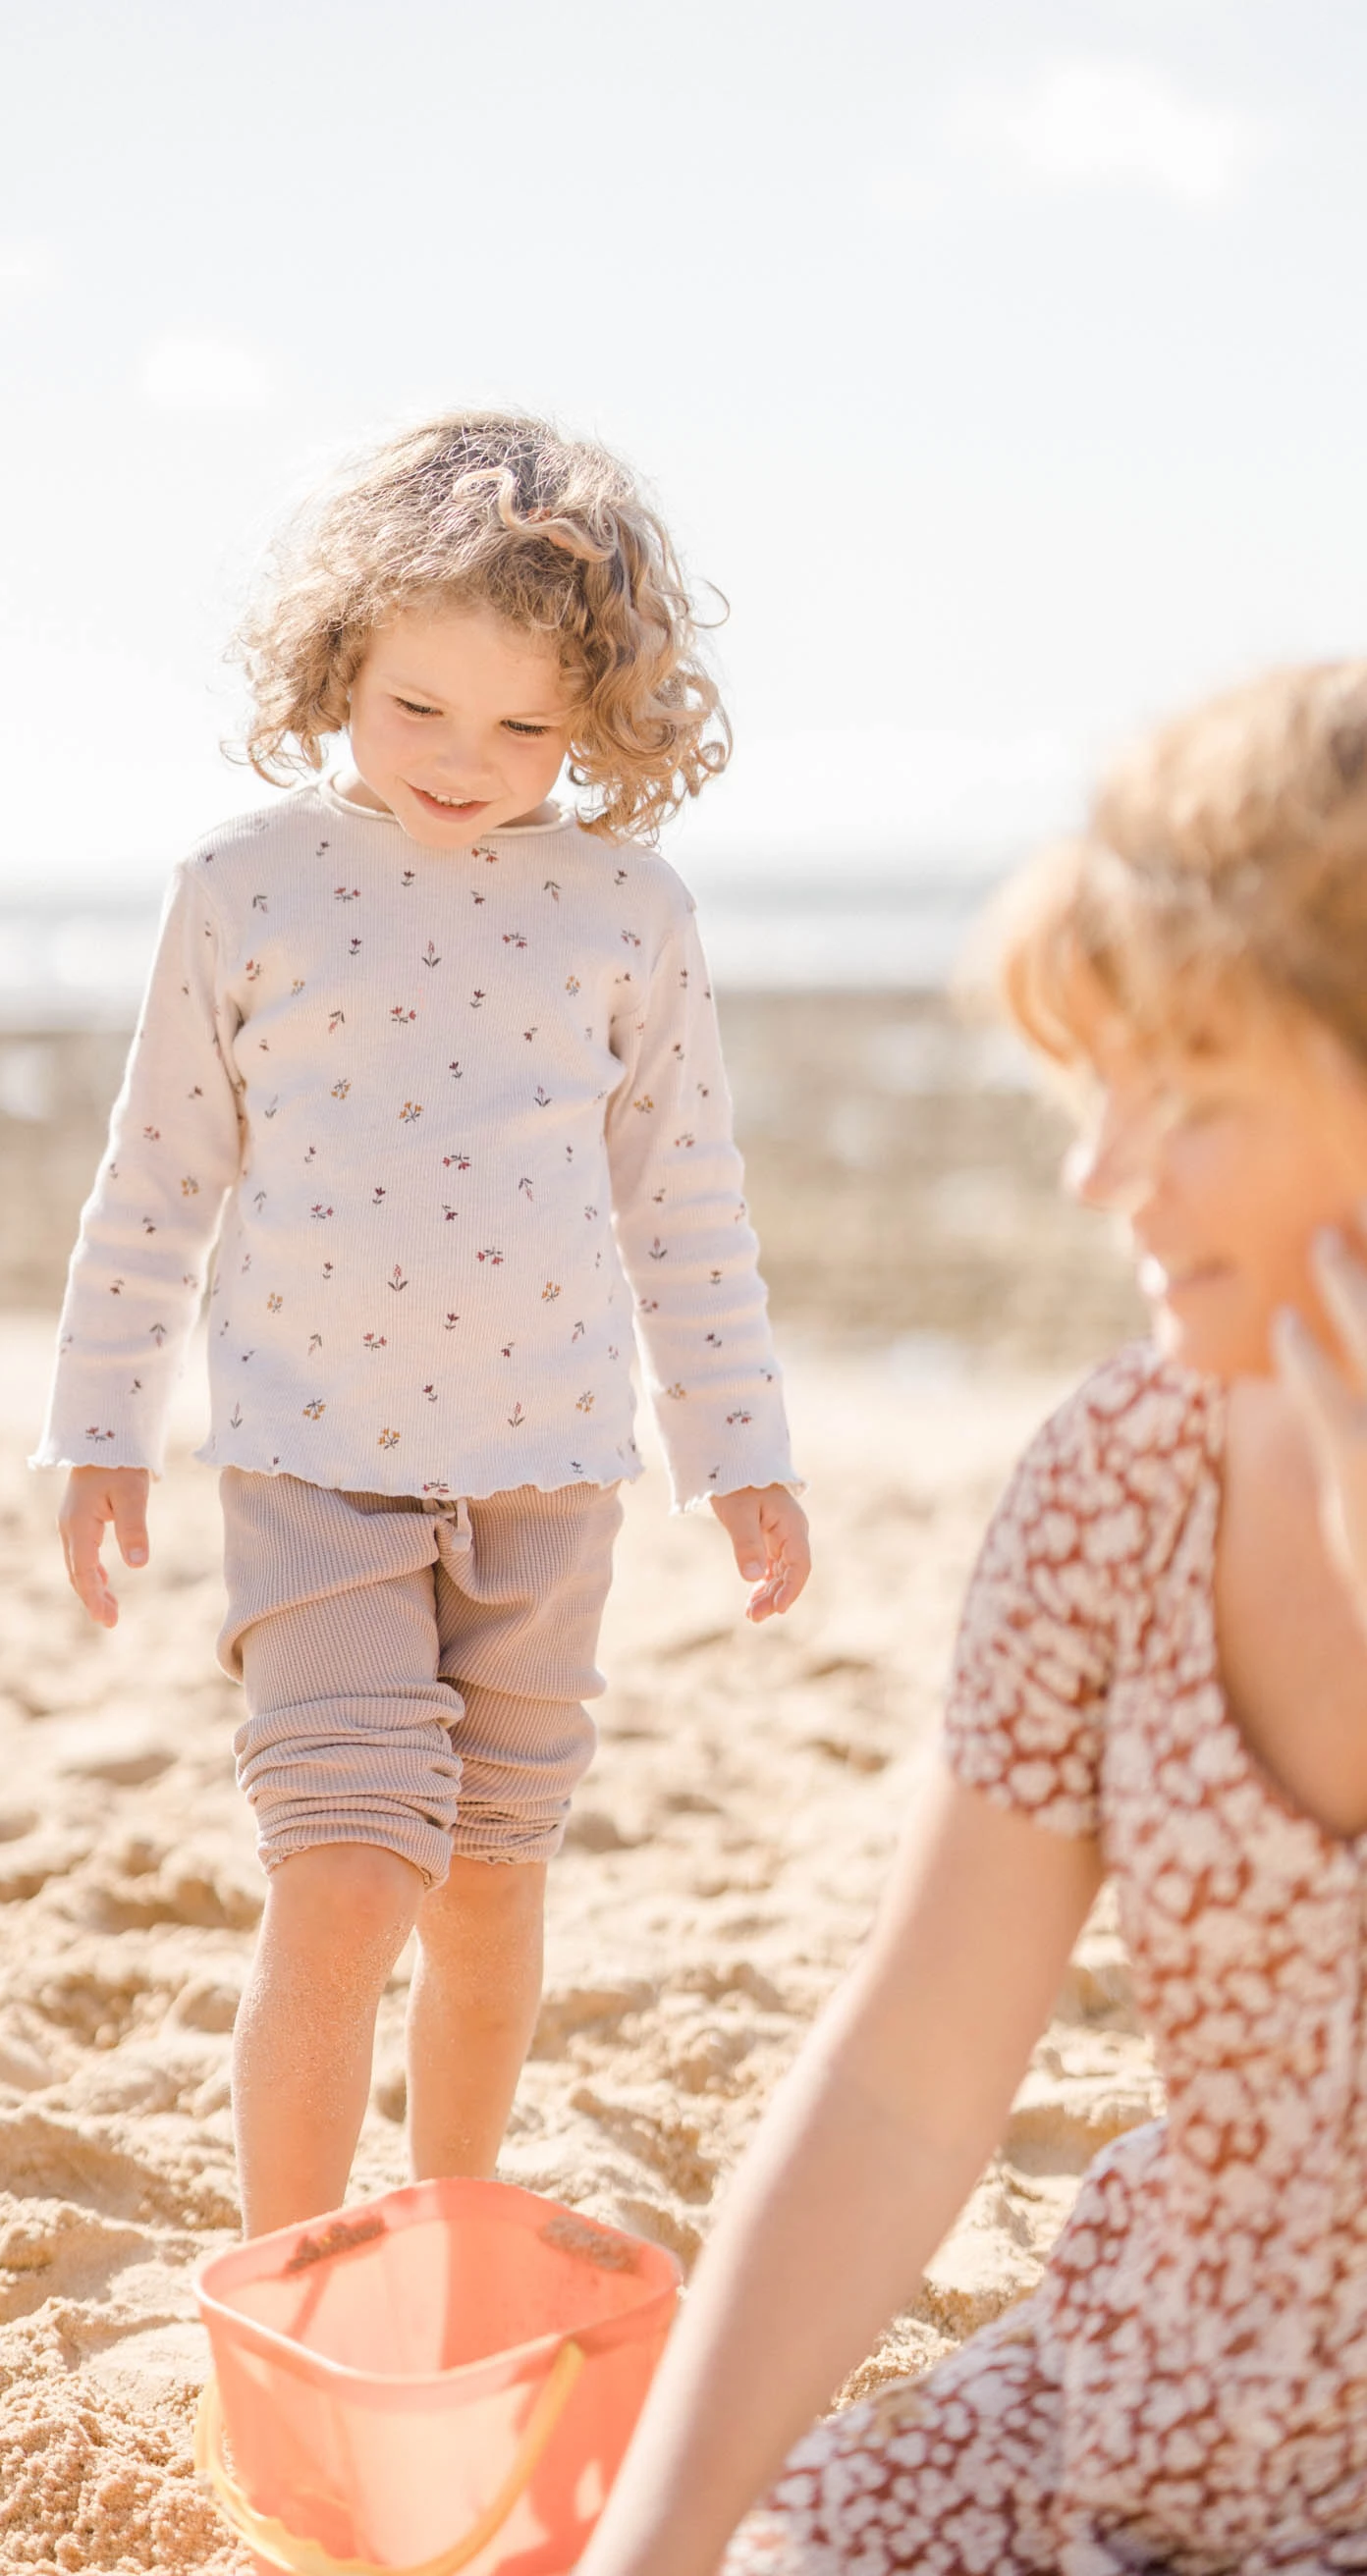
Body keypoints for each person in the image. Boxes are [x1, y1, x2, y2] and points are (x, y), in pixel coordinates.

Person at [577, 657, 1367, 2576]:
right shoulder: (1126, 1478)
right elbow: (907, 2079)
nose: (1102, 1174)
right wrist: (649, 2550)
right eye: (1105, 1091)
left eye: (1195, 1098)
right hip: (1150, 2410)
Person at [37, 411, 811, 2234]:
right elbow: (157, 1181)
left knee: (486, 1889)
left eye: (527, 728)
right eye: (418, 708)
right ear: (338, 664)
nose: (467, 762)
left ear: (604, 713)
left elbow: (686, 1207)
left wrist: (743, 1453)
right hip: (313, 1472)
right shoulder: (244, 888)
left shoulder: (628, 912)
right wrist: (100, 1425)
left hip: (551, 1483)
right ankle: (292, 2277)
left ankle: (450, 2228)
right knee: (344, 1880)